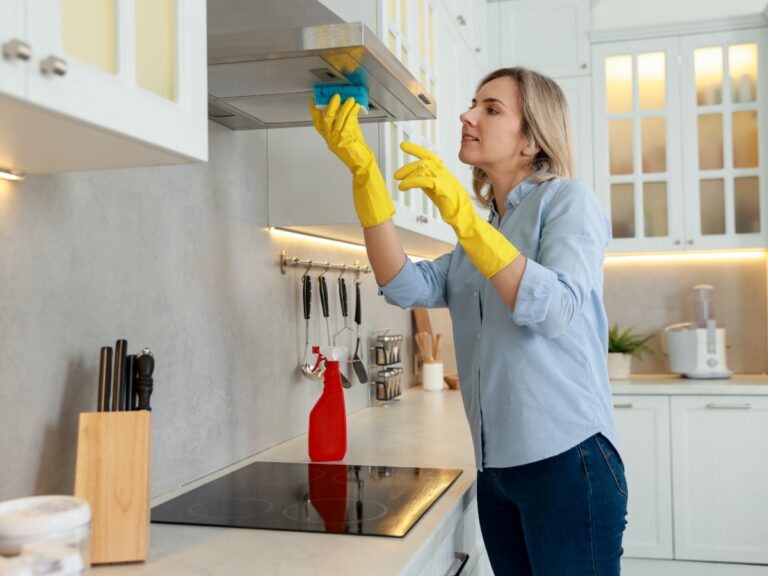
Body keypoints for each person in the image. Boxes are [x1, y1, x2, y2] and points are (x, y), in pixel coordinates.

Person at [311, 67, 627, 575]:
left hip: (568, 463)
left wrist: (460, 213)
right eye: (473, 102)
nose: (467, 115)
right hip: (495, 470)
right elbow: (405, 286)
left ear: (530, 141)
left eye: (491, 109)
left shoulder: (569, 203)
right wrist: (365, 177)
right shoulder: (483, 233)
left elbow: (555, 310)